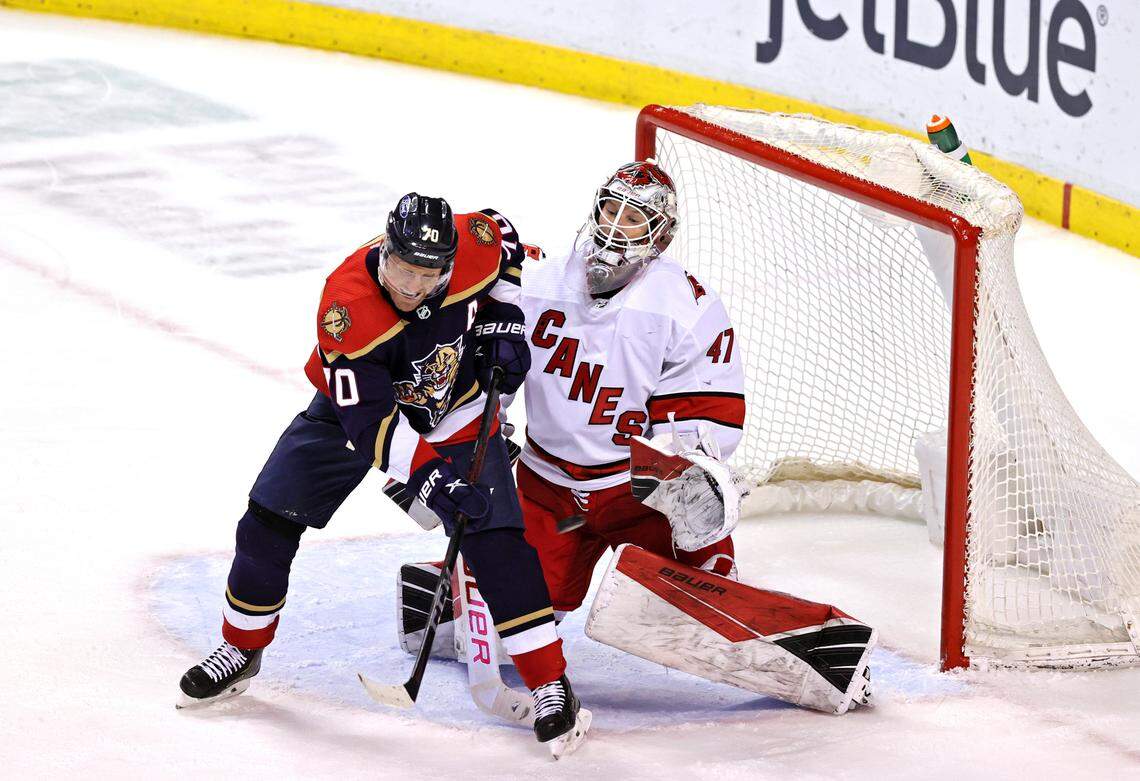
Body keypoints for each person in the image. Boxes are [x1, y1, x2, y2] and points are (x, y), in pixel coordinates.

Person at [176, 193, 588, 748]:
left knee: (497, 542)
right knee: (268, 519)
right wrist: (432, 481)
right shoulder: (348, 309)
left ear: (447, 263)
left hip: (456, 407)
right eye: (400, 268)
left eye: (426, 274)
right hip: (357, 413)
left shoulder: (472, 247)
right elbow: (372, 427)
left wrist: (502, 313)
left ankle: (549, 685)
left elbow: (503, 234)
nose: (410, 287)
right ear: (384, 250)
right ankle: (241, 647)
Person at [515, 161, 746, 617]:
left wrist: (684, 468)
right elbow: (485, 372)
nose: (616, 226)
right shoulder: (537, 280)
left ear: (660, 237)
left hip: (638, 494)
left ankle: (717, 594)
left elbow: (707, 411)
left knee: (701, 608)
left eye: (634, 217)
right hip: (547, 489)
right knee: (519, 623)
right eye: (610, 209)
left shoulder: (684, 304)